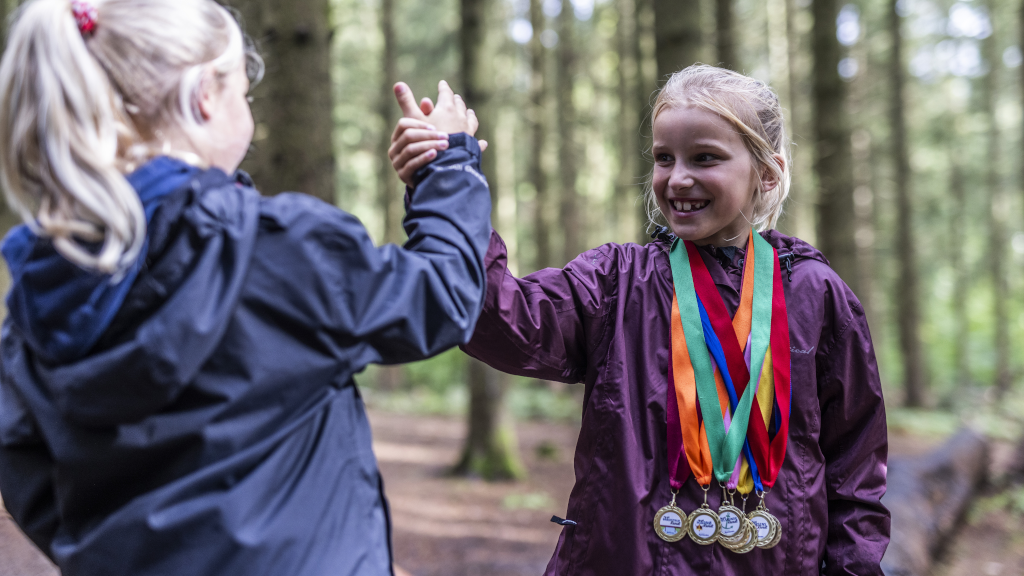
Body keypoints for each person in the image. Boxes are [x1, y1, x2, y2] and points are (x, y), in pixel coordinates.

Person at [0, 0, 491, 574]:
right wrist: (449, 168)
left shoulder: (41, 288)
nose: (248, 101)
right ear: (205, 93)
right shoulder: (282, 246)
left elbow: (26, 472)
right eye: (242, 87)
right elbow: (443, 297)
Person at [390, 64, 890, 574]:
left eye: (705, 158)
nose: (678, 178)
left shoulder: (816, 295)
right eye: (664, 158)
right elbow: (499, 320)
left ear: (767, 172)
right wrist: (447, 180)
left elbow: (856, 472)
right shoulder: (616, 282)